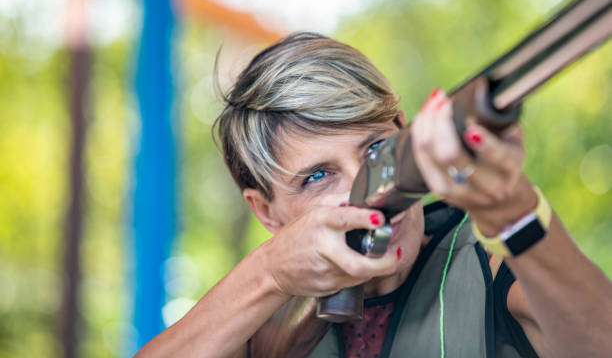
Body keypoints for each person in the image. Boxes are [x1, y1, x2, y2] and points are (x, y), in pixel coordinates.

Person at [136, 32, 612, 358]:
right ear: (266, 212)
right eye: (318, 176)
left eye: (377, 150)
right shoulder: (261, 320)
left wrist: (512, 210)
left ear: (405, 132)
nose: (364, 189)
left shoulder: (490, 268)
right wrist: (269, 276)